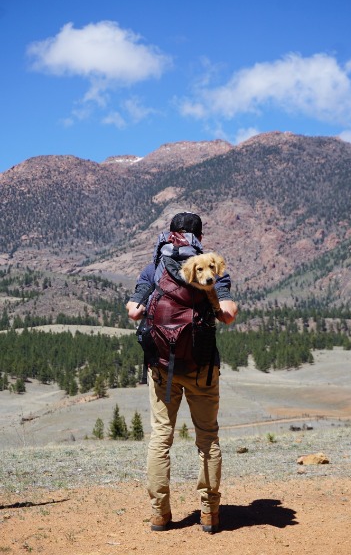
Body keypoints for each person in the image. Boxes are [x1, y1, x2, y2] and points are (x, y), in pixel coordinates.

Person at [126, 212, 238, 533]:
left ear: (169, 234)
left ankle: (160, 514)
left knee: (161, 438)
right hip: (203, 369)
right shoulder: (212, 270)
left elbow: (134, 312)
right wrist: (217, 301)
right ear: (200, 237)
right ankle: (209, 514)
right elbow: (227, 315)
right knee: (207, 439)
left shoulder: (154, 268)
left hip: (163, 370)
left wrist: (148, 306)